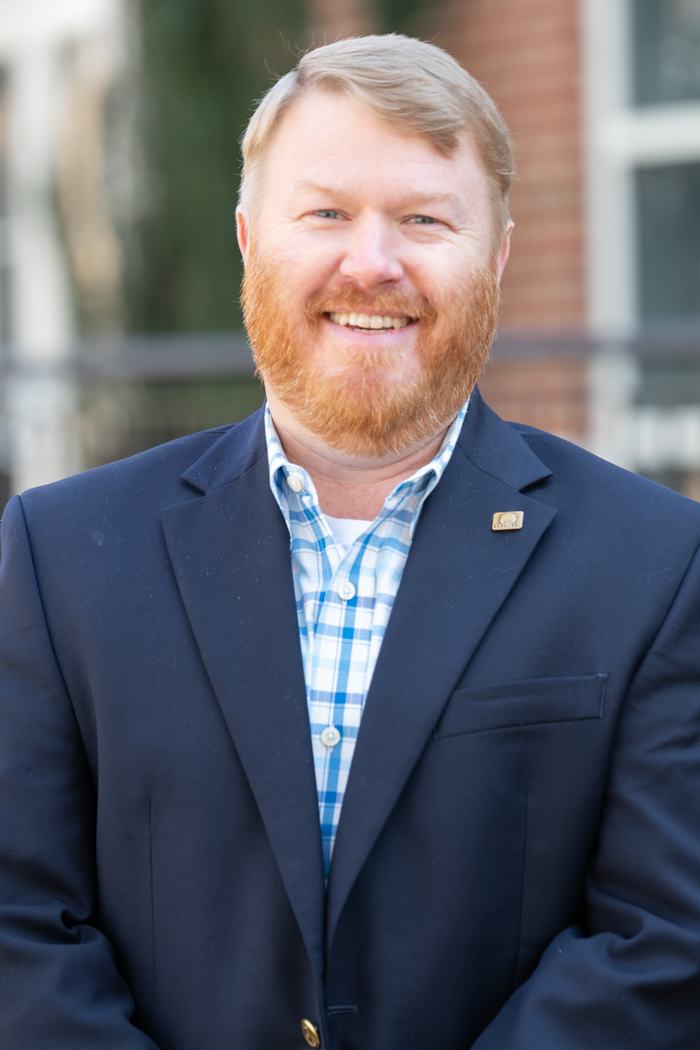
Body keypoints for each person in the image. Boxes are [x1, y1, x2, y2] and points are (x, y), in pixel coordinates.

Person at [1, 33, 699, 1050]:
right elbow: (20, 928)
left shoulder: (655, 564)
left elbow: (663, 942)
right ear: (249, 242)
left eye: (423, 218)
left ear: (495, 258)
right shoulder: (58, 556)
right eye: (324, 212)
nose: (370, 263)